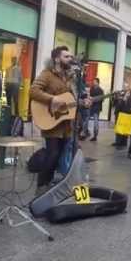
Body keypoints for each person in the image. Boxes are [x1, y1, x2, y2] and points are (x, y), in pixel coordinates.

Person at [30, 46, 87, 195]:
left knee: (59, 155)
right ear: (57, 59)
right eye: (66, 56)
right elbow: (33, 91)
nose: (70, 59)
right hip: (52, 122)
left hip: (66, 124)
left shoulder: (70, 78)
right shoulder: (47, 74)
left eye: (70, 57)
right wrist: (52, 99)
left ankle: (49, 183)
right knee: (52, 154)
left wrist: (83, 102)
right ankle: (41, 185)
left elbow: (70, 102)